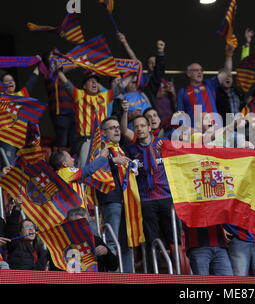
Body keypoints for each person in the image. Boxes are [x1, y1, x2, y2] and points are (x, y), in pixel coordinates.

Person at [120, 105, 180, 273]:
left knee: (174, 239)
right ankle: (153, 273)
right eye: (136, 127)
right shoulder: (131, 150)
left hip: (166, 198)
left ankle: (179, 272)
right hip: (146, 201)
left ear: (149, 127)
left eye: (142, 126)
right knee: (151, 240)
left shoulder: (163, 145)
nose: (139, 129)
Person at [96, 116, 135, 273]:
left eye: (117, 127)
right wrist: (113, 161)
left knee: (126, 241)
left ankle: (128, 276)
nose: (117, 130)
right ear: (104, 133)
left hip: (127, 199)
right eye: (112, 128)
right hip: (111, 199)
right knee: (112, 241)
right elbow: (93, 166)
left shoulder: (121, 148)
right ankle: (112, 274)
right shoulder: (101, 148)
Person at [57, 68, 119, 167]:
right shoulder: (79, 95)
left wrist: (133, 70)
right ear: (84, 86)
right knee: (85, 167)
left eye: (96, 81)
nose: (94, 82)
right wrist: (59, 71)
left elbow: (117, 90)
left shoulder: (104, 96)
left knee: (105, 167)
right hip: (87, 140)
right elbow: (67, 84)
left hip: (104, 139)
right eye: (90, 80)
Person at [176, 44, 235, 126]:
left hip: (215, 129)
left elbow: (227, 71)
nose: (200, 72)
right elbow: (180, 114)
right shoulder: (183, 92)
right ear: (188, 74)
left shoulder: (209, 85)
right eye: (196, 70)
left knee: (238, 137)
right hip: (196, 132)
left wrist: (229, 55)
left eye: (201, 70)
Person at [0, 59, 41, 166]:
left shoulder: (20, 95)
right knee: (10, 168)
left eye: (12, 80)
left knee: (25, 167)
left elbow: (32, 81)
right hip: (8, 139)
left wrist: (39, 64)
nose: (10, 82)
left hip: (23, 138)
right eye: (6, 81)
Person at [65, 207, 118, 272]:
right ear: (69, 225)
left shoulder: (95, 240)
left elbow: (113, 266)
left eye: (85, 223)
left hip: (95, 280)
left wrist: (107, 252)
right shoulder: (62, 242)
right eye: (78, 223)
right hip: (70, 280)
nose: (83, 226)